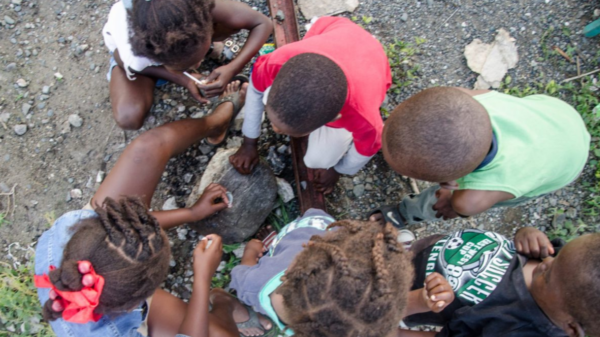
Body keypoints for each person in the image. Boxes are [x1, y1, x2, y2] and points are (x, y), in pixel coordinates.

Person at [35, 82, 274, 337]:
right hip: (117, 319)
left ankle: (216, 120)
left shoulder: (66, 235)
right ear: (137, 302)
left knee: (148, 148)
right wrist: (202, 277)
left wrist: (192, 213)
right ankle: (224, 304)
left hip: (113, 289)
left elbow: (126, 231)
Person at [370, 87, 590, 236]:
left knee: (443, 203)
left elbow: (462, 206)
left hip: (566, 162)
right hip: (559, 117)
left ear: (451, 181)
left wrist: (453, 203)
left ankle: (405, 213)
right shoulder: (462, 102)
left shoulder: (474, 197)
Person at [229, 16, 391, 194]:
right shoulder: (277, 62)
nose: (274, 129)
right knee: (266, 96)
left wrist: (339, 170)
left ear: (333, 119)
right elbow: (255, 88)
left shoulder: (361, 115)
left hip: (372, 62)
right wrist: (249, 142)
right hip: (337, 31)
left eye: (284, 130)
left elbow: (369, 147)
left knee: (318, 161)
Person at [230, 212, 453, 336]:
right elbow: (242, 273)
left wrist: (251, 251)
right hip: (310, 226)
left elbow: (241, 273)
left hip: (315, 226)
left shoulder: (254, 284)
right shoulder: (254, 284)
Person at [396, 226, 600, 337]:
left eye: (548, 277)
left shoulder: (516, 329)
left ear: (572, 329)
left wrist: (390, 332)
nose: (546, 261)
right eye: (557, 256)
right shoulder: (570, 269)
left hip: (405, 296)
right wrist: (527, 233)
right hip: (427, 253)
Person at [102, 0, 272, 130]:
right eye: (187, 67)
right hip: (141, 64)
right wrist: (183, 78)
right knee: (129, 117)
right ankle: (189, 58)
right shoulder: (133, 52)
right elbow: (128, 64)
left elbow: (262, 23)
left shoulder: (197, 6)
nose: (199, 65)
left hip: (180, 40)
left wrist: (233, 67)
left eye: (198, 59)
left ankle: (209, 48)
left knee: (231, 20)